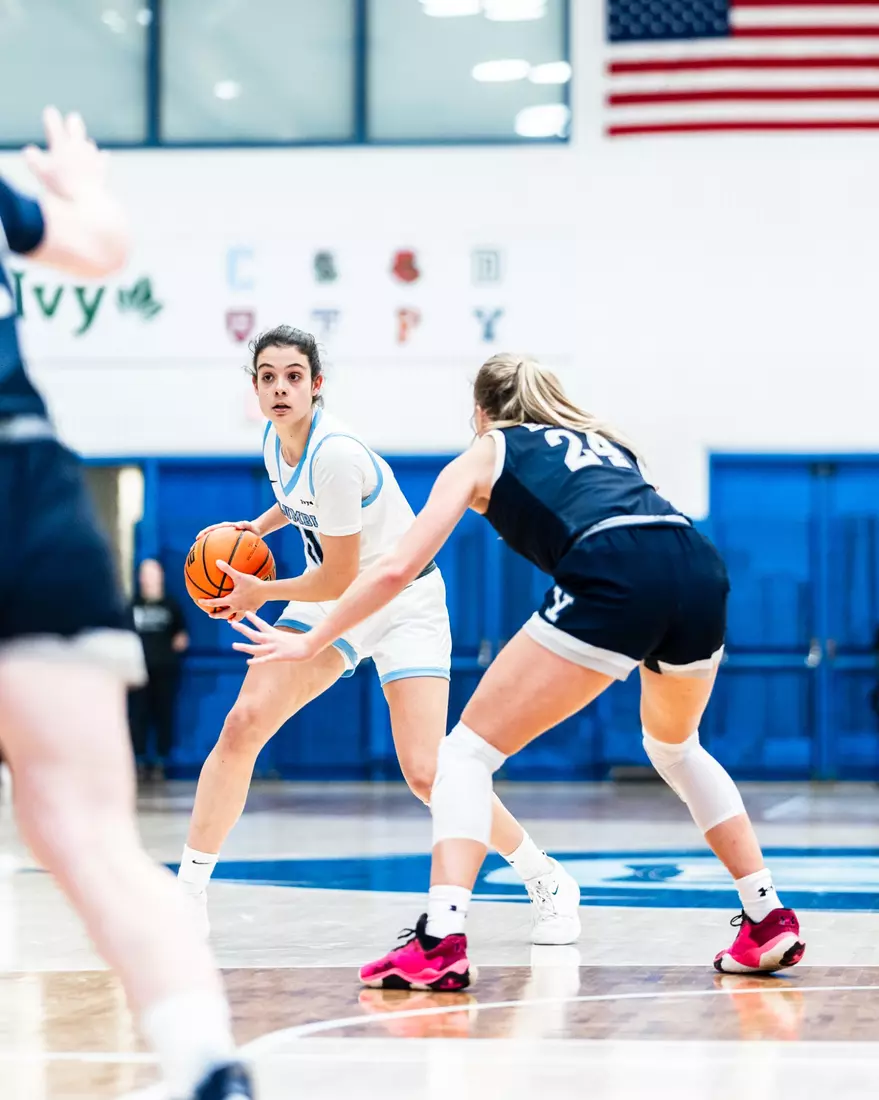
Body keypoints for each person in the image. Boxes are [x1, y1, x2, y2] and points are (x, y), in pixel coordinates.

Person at [231, 353, 807, 990]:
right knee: (675, 746)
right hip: (698, 564)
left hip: (614, 566)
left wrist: (313, 635)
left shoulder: (482, 453)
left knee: (463, 757)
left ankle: (440, 940)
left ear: (480, 413)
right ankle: (767, 916)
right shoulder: (604, 443)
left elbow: (396, 568)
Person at [176, 326, 581, 947]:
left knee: (425, 772)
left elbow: (338, 573)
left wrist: (260, 591)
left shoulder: (336, 452)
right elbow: (300, 503)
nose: (279, 388)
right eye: (267, 376)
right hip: (336, 598)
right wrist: (254, 529)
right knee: (243, 722)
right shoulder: (273, 440)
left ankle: (545, 879)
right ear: (255, 386)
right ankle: (189, 894)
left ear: (316, 385)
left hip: (405, 599)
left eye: (292, 376)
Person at [0, 108, 252, 1098]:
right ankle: (207, 1070)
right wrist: (77, 183)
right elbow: (104, 245)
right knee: (93, 834)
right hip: (32, 493)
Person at [130, 557, 189, 782]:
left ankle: (162, 762)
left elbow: (182, 635)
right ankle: (139, 761)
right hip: (139, 671)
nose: (150, 578)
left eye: (153, 573)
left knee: (164, 715)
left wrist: (178, 641)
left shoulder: (171, 605)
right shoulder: (134, 605)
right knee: (138, 717)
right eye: (146, 574)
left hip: (165, 670)